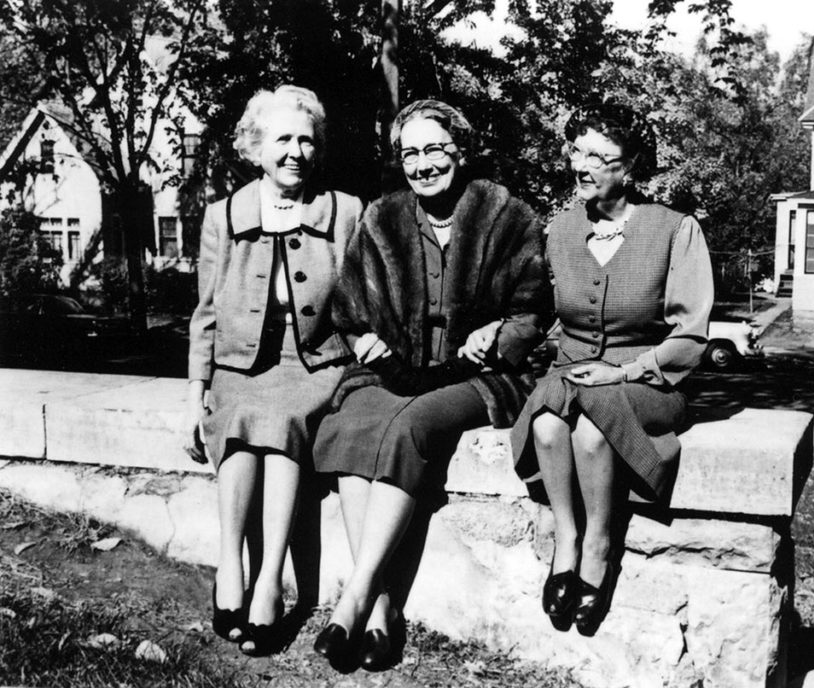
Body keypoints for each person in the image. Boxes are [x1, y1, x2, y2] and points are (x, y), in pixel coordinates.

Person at [311, 99, 553, 669]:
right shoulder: (382, 217)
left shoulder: (509, 216)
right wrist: (367, 340)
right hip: (393, 366)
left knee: (412, 424)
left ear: (461, 151)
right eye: (410, 153)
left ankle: (354, 595)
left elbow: (535, 313)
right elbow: (350, 309)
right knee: (350, 423)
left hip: (483, 373)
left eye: (435, 149)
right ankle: (379, 612)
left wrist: (497, 330)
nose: (422, 164)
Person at [510, 102, 714, 636]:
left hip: (646, 380)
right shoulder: (558, 231)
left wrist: (625, 373)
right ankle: (568, 542)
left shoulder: (675, 230)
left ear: (630, 167)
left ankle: (601, 543)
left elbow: (690, 334)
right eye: (577, 150)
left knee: (593, 429)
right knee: (549, 423)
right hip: (573, 373)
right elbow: (545, 318)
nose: (583, 164)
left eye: (600, 156)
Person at [183, 85, 362, 656]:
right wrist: (195, 396)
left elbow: (362, 301)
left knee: (283, 418)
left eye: (307, 140)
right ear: (255, 146)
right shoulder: (222, 216)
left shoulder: (345, 211)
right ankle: (230, 563)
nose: (295, 152)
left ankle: (269, 582)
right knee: (235, 414)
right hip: (240, 362)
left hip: (314, 363)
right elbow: (206, 313)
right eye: (282, 138)